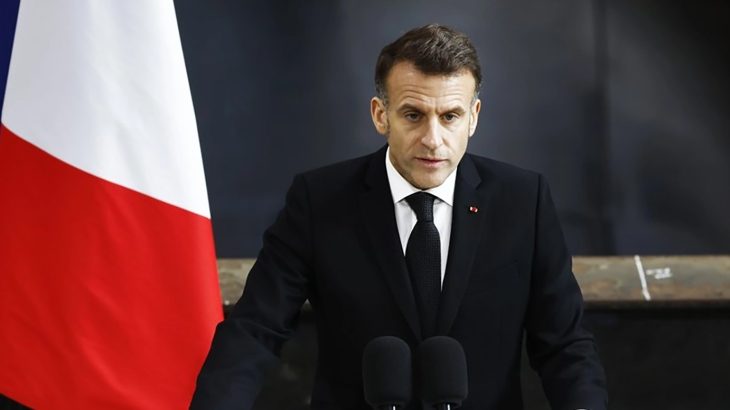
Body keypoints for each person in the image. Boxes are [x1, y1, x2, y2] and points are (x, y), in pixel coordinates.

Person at [191, 24, 608, 410]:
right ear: (380, 115)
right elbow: (255, 330)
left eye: (450, 116)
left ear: (474, 118)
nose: (433, 139)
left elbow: (565, 345)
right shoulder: (319, 200)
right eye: (413, 115)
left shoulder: (523, 201)